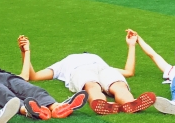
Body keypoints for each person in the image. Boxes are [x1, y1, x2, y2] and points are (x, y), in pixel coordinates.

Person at [18, 31, 155, 115]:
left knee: (118, 84)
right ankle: (101, 104)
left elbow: (128, 72)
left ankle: (130, 103)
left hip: (102, 69)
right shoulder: (63, 63)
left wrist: (131, 45)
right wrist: (25, 52)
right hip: (78, 71)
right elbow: (34, 76)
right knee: (91, 84)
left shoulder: (97, 59)